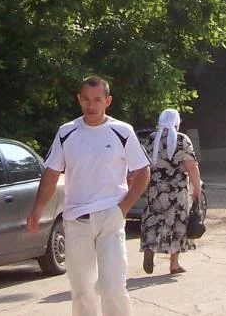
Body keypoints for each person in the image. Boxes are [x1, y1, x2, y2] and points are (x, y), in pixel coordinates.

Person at [27, 76, 151, 316]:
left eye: (97, 100)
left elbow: (143, 171)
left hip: (110, 217)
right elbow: (52, 173)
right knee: (83, 291)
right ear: (79, 99)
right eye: (85, 99)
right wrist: (38, 209)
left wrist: (123, 208)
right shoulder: (67, 132)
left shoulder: (122, 131)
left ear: (108, 101)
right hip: (76, 220)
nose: (91, 105)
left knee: (113, 287)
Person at [140, 108, 202, 276]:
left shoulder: (151, 139)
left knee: (153, 220)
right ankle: (174, 265)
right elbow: (191, 166)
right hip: (177, 190)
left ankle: (150, 248)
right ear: (176, 122)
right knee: (176, 224)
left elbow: (143, 164)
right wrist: (197, 188)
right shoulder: (181, 140)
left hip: (155, 188)